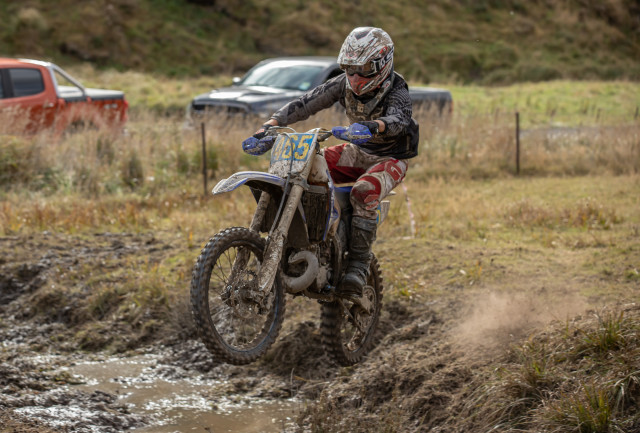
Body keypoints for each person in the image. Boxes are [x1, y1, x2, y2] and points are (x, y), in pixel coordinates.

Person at [242, 27, 419, 296]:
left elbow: (399, 119)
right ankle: (315, 235)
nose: (355, 77)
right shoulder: (342, 84)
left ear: (381, 64)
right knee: (305, 164)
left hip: (391, 157)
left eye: (363, 69)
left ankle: (358, 265)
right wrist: (269, 125)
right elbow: (306, 102)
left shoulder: (397, 88)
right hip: (357, 149)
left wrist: (373, 126)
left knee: (364, 191)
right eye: (350, 68)